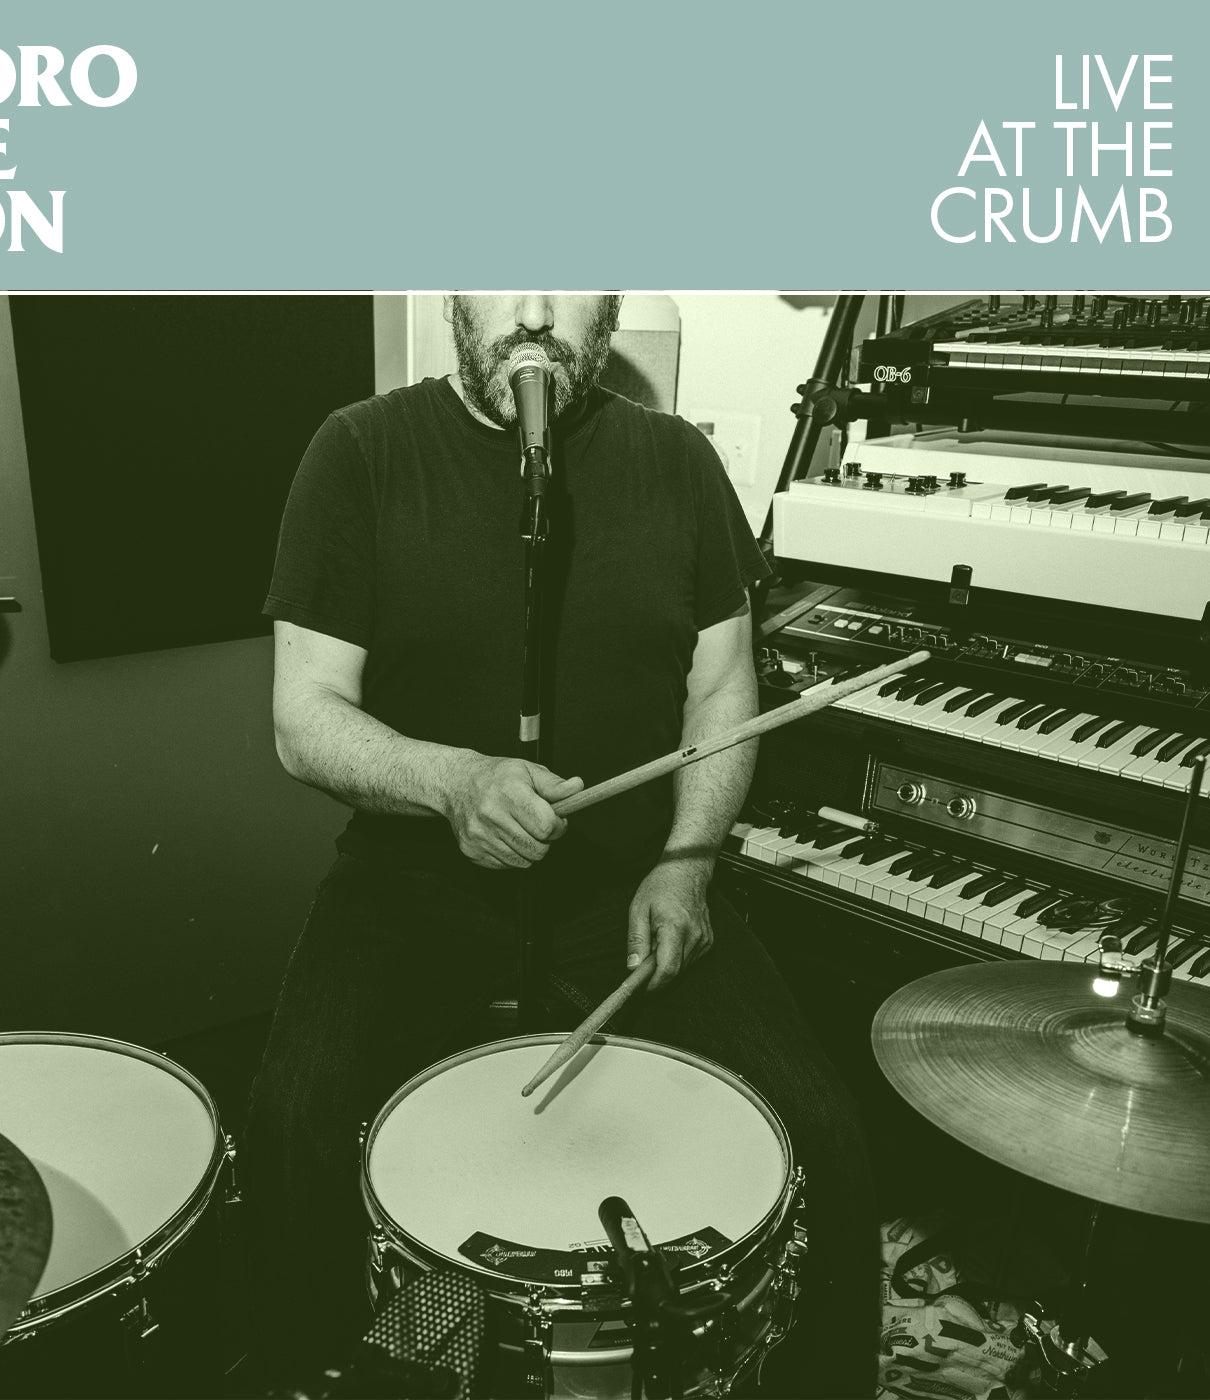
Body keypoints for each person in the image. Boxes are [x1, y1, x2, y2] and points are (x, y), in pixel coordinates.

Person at [243, 294, 878, 1397]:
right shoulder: (359, 452)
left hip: (633, 881)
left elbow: (722, 689)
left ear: (612, 302)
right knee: (293, 1121)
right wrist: (452, 781)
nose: (534, 311)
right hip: (410, 884)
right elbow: (304, 717)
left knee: (824, 1128)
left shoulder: (677, 463)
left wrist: (687, 858)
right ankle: (322, 1371)